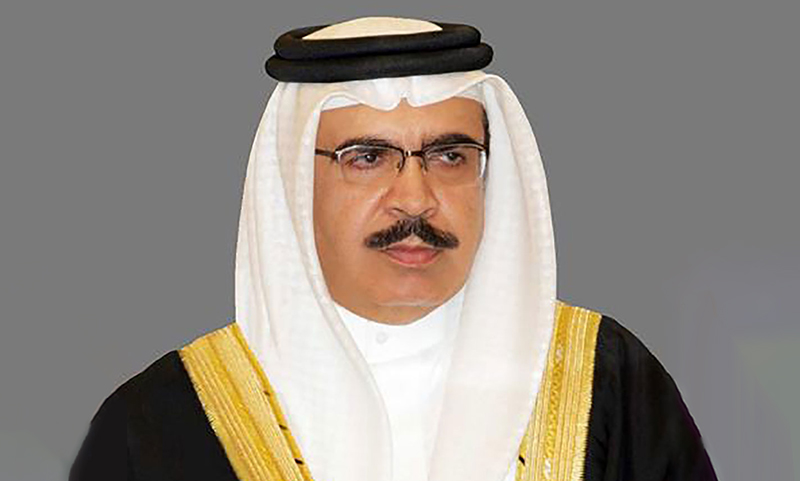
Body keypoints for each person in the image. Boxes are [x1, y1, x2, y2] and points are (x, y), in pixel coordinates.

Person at [69, 16, 717, 481]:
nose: (415, 199)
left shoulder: (608, 381)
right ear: (293, 183)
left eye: (451, 155)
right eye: (367, 157)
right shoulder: (162, 418)